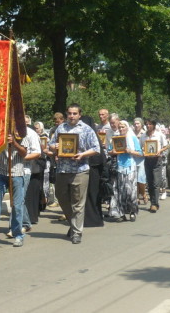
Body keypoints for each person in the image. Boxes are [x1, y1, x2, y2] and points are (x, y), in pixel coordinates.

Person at [49, 103, 100, 244]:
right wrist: (55, 147)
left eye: (74, 113)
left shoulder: (86, 129)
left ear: (79, 115)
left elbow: (96, 148)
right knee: (62, 198)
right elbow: (51, 145)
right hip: (62, 169)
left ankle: (77, 232)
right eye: (69, 113)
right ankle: (73, 224)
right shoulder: (61, 127)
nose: (71, 116)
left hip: (80, 170)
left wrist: (83, 154)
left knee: (78, 203)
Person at [0, 130, 32, 247]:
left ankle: (18, 235)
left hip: (17, 174)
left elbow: (24, 153)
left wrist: (14, 142)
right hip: (1, 173)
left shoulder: (22, 133)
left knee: (17, 206)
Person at [107, 120, 142, 222]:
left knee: (130, 191)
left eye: (123, 127)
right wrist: (112, 152)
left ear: (127, 127)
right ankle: (120, 213)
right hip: (119, 166)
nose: (121, 129)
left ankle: (132, 211)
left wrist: (130, 151)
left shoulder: (132, 138)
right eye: (120, 127)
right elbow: (109, 151)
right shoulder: (116, 138)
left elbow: (140, 153)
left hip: (130, 166)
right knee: (119, 190)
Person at [141, 119, 168, 212]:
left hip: (157, 160)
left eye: (150, 124)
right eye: (146, 124)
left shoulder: (159, 135)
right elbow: (141, 147)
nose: (148, 126)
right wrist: (144, 151)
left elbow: (166, 145)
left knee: (156, 183)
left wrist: (160, 151)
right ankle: (153, 201)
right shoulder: (143, 136)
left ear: (154, 125)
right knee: (150, 182)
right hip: (147, 160)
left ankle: (154, 204)